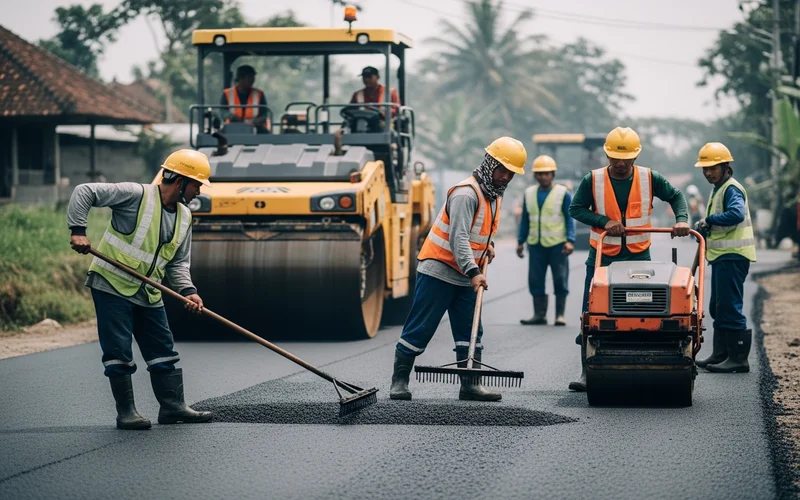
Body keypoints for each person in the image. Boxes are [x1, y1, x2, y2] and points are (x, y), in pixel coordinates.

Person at [67, 149, 214, 430]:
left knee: (163, 349)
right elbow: (84, 191)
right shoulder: (135, 194)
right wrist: (78, 230)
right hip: (111, 283)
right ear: (181, 180)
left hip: (149, 291)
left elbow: (178, 263)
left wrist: (188, 291)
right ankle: (127, 413)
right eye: (197, 184)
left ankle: (172, 407)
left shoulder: (184, 217)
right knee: (119, 350)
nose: (199, 191)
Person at [388, 137, 528, 402]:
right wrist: (475, 272)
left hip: (466, 274)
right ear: (490, 164)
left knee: (470, 330)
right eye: (503, 170)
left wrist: (489, 246)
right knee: (420, 328)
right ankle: (399, 381)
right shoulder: (466, 193)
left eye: (511, 174)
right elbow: (458, 238)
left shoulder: (493, 195)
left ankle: (470, 385)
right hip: (439, 271)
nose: (506, 177)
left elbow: (481, 230)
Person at [567, 127, 691, 392]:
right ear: (607, 155)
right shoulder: (593, 180)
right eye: (615, 158)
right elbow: (575, 209)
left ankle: (644, 359)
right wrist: (603, 222)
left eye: (626, 159)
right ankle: (586, 371)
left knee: (640, 311)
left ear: (636, 156)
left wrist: (681, 220)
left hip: (638, 258)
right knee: (591, 316)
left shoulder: (649, 177)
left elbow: (676, 196)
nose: (621, 164)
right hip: (602, 258)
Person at [693, 142, 757, 373]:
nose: (708, 173)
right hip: (721, 256)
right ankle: (720, 354)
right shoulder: (719, 188)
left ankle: (738, 359)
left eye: (712, 168)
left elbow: (736, 214)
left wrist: (709, 220)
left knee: (729, 306)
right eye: (705, 169)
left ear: (725, 166)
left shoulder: (731, 188)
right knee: (717, 307)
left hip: (733, 256)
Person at [517, 154, 575, 326]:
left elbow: (569, 218)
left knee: (560, 279)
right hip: (535, 245)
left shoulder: (563, 193)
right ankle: (539, 314)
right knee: (535, 280)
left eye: (546, 173)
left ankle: (559, 315)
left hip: (558, 246)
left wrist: (570, 240)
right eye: (539, 173)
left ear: (553, 174)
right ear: (535, 175)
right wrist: (521, 241)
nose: (543, 176)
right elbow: (525, 220)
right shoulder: (528, 194)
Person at [219, 65, 270, 132]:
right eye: (250, 77)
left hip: (255, 130)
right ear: (241, 78)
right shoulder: (227, 94)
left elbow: (265, 112)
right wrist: (231, 116)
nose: (253, 80)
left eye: (253, 77)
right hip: (232, 129)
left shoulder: (259, 94)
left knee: (266, 134)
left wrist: (260, 119)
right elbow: (222, 111)